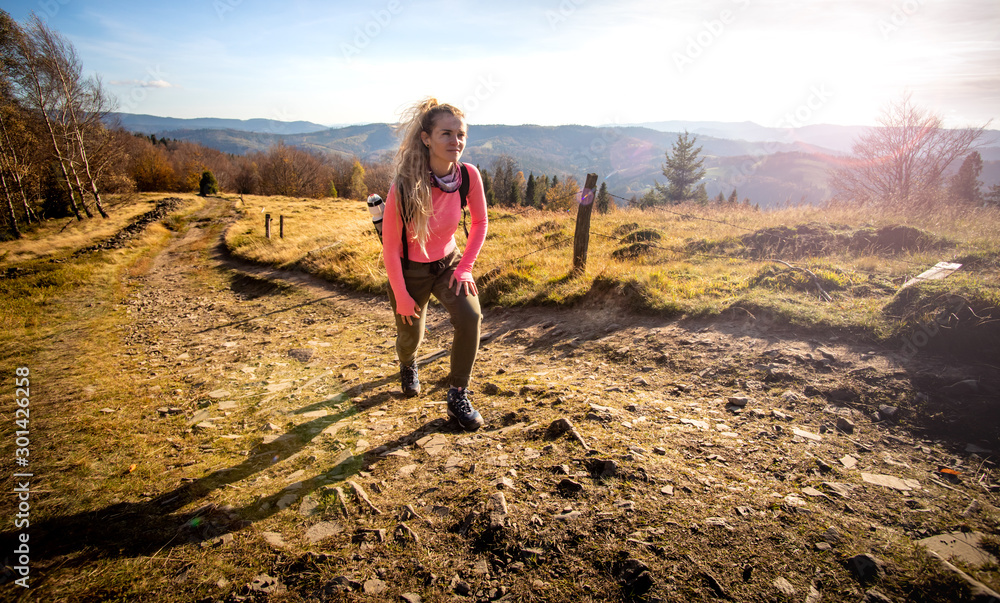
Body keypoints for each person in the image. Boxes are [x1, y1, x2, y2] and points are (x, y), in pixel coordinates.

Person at [382, 98, 488, 431]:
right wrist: (401, 294)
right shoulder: (403, 186)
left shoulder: (468, 176)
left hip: (448, 264)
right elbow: (389, 249)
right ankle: (408, 363)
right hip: (410, 270)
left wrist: (465, 267)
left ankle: (457, 394)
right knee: (410, 335)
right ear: (427, 138)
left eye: (461, 134)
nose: (455, 141)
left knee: (471, 316)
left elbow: (481, 224)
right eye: (446, 134)